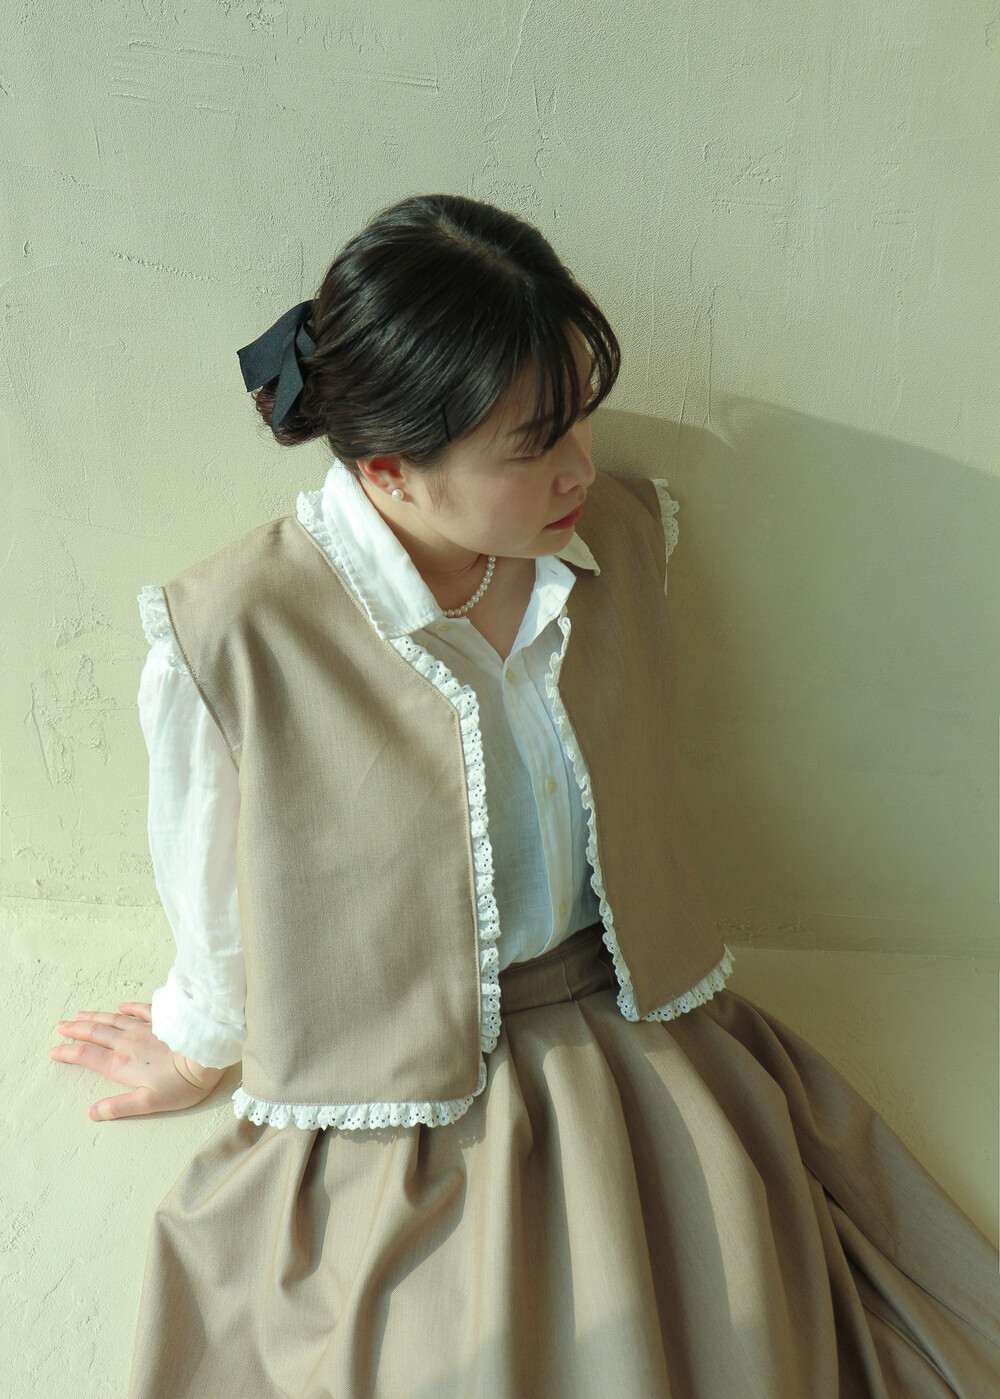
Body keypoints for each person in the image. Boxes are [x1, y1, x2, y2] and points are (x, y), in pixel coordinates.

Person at [50, 193, 1000, 1399]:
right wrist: (199, 1041)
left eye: (580, 416)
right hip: (389, 1083)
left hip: (640, 1024)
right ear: (389, 471)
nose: (580, 466)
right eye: (532, 444)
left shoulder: (621, 541)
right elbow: (210, 877)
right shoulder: (235, 631)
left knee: (751, 1332)